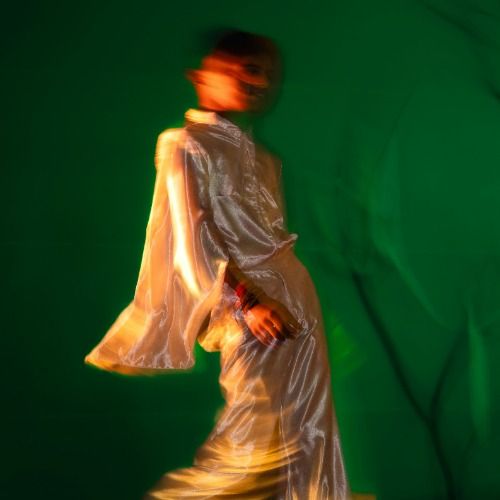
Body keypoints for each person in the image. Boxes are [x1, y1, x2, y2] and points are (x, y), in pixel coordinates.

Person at [85, 30, 350, 499]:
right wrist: (247, 301)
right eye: (244, 69)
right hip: (251, 307)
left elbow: (272, 239)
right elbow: (191, 241)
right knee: (250, 441)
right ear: (201, 76)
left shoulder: (264, 158)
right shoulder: (185, 144)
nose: (257, 81)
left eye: (264, 73)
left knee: (308, 432)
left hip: (296, 299)